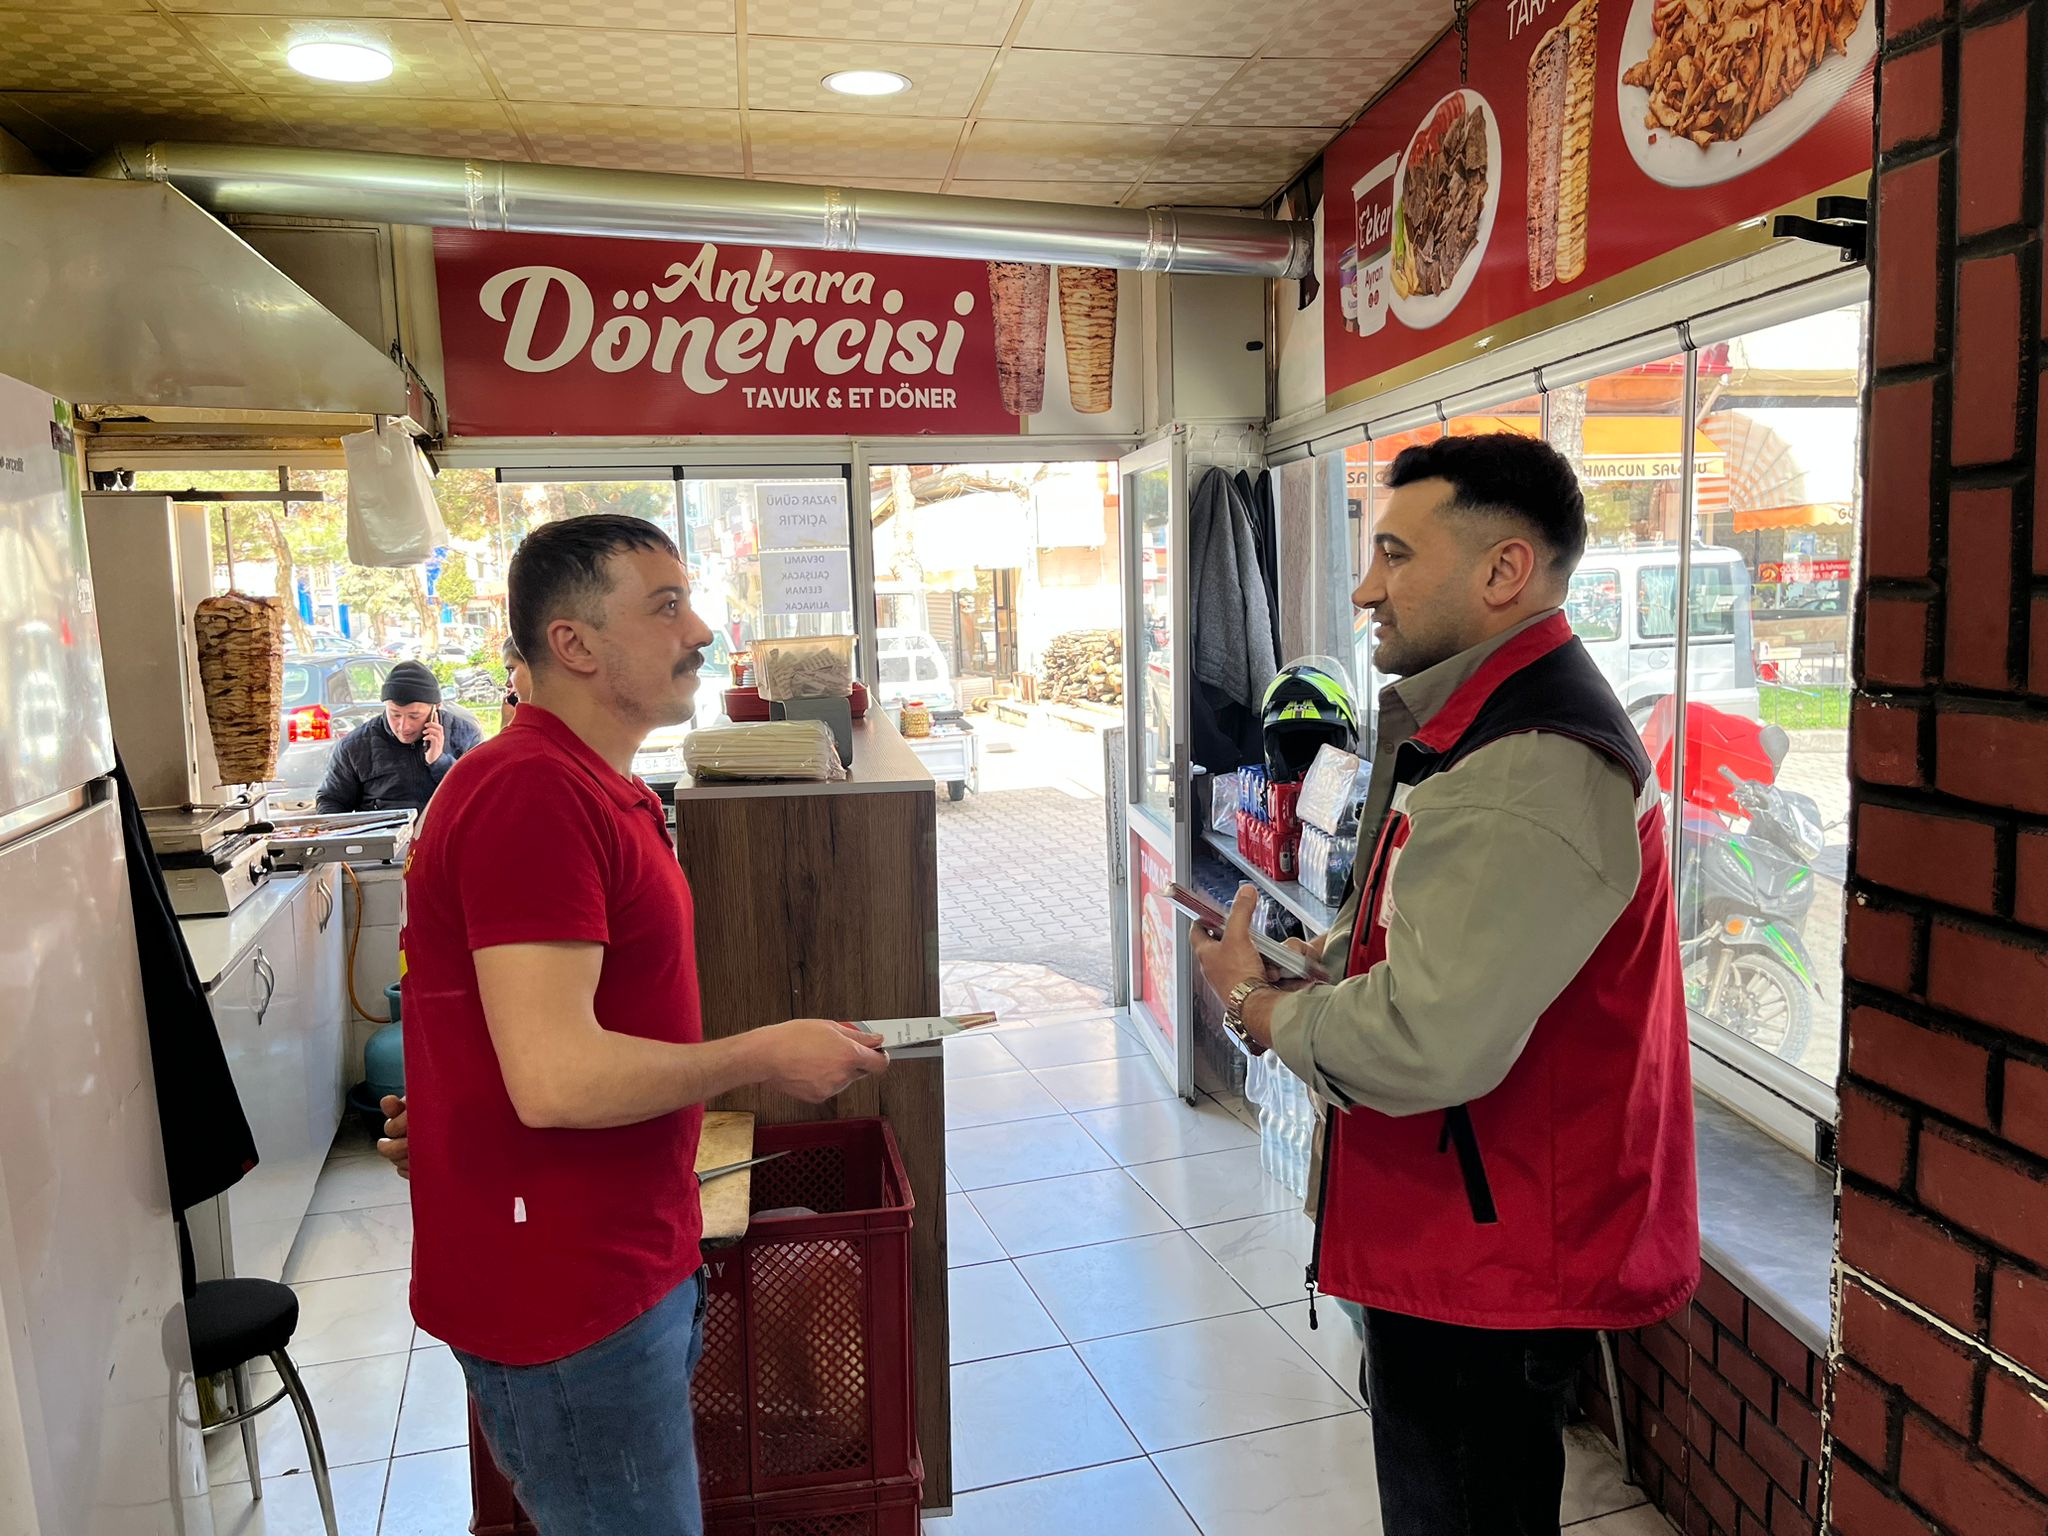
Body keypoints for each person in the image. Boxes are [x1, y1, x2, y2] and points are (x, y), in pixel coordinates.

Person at [1194, 433, 1698, 1536]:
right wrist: (1311, 965)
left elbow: (1426, 1037)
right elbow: (1437, 943)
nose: (1366, 587)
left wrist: (1254, 1005)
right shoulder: (1477, 723)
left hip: (1492, 1244)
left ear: (1500, 570)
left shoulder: (1528, 759)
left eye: (1392, 554)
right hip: (1467, 1219)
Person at [394, 513, 886, 1536]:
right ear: (571, 644)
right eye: (664, 608)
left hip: (623, 1251)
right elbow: (558, 1078)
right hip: (568, 1288)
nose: (700, 629)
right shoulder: (529, 791)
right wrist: (763, 1055)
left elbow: (505, 1039)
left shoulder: (595, 787)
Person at [314, 659, 484, 813]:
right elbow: (331, 801)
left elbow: (480, 798)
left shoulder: (465, 735)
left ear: (436, 708)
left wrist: (440, 763)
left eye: (414, 716)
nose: (404, 726)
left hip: (444, 837)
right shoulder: (355, 746)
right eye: (395, 714)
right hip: (383, 842)